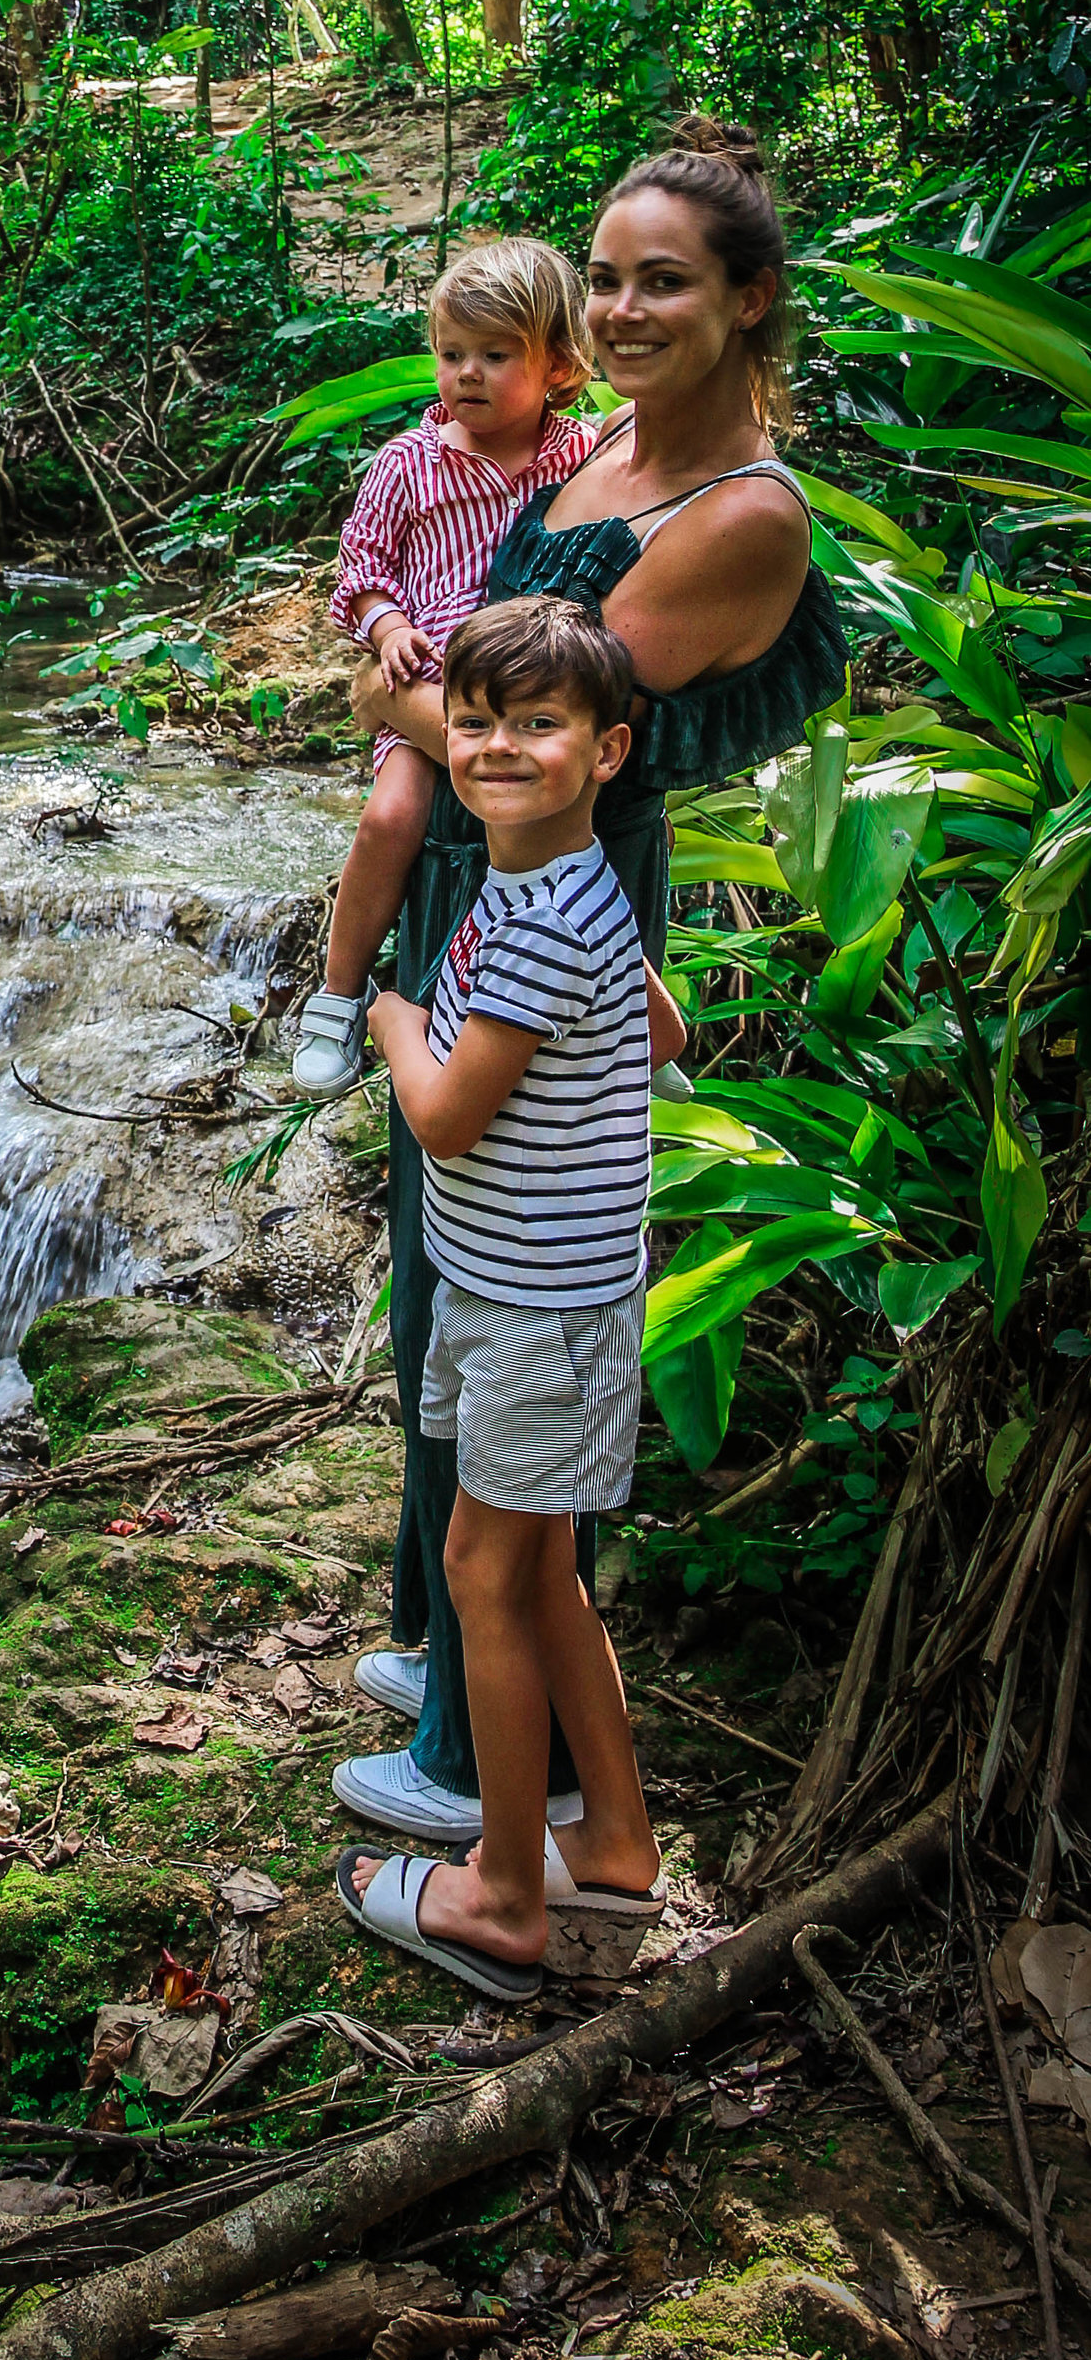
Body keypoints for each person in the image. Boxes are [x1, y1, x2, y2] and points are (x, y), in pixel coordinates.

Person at [332, 119, 848, 1844]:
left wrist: (390, 705)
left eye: (667, 283)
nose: (624, 309)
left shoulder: (737, 517)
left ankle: (505, 1781)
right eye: (608, 277)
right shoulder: (603, 440)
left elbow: (543, 743)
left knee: (512, 1294)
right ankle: (443, 1649)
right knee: (441, 1290)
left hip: (548, 888)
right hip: (483, 880)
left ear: (750, 301)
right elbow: (496, 700)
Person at [335, 596, 664, 1999]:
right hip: (534, 1287)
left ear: (608, 749)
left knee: (486, 1573)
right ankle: (624, 1844)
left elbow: (453, 1117)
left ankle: (508, 1891)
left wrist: (398, 1018)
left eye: (540, 723)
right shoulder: (563, 884)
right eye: (476, 720)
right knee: (539, 1574)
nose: (497, 746)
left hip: (538, 1307)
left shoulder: (533, 920)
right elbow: (663, 1022)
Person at [289, 238, 600, 1097]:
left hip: (537, 690)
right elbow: (362, 572)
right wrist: (386, 628)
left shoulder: (577, 455)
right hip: (426, 690)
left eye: (497, 356)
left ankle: (625, 1026)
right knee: (392, 819)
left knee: (585, 837)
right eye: (452, 353)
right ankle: (339, 997)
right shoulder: (410, 463)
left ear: (558, 367)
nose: (468, 373)